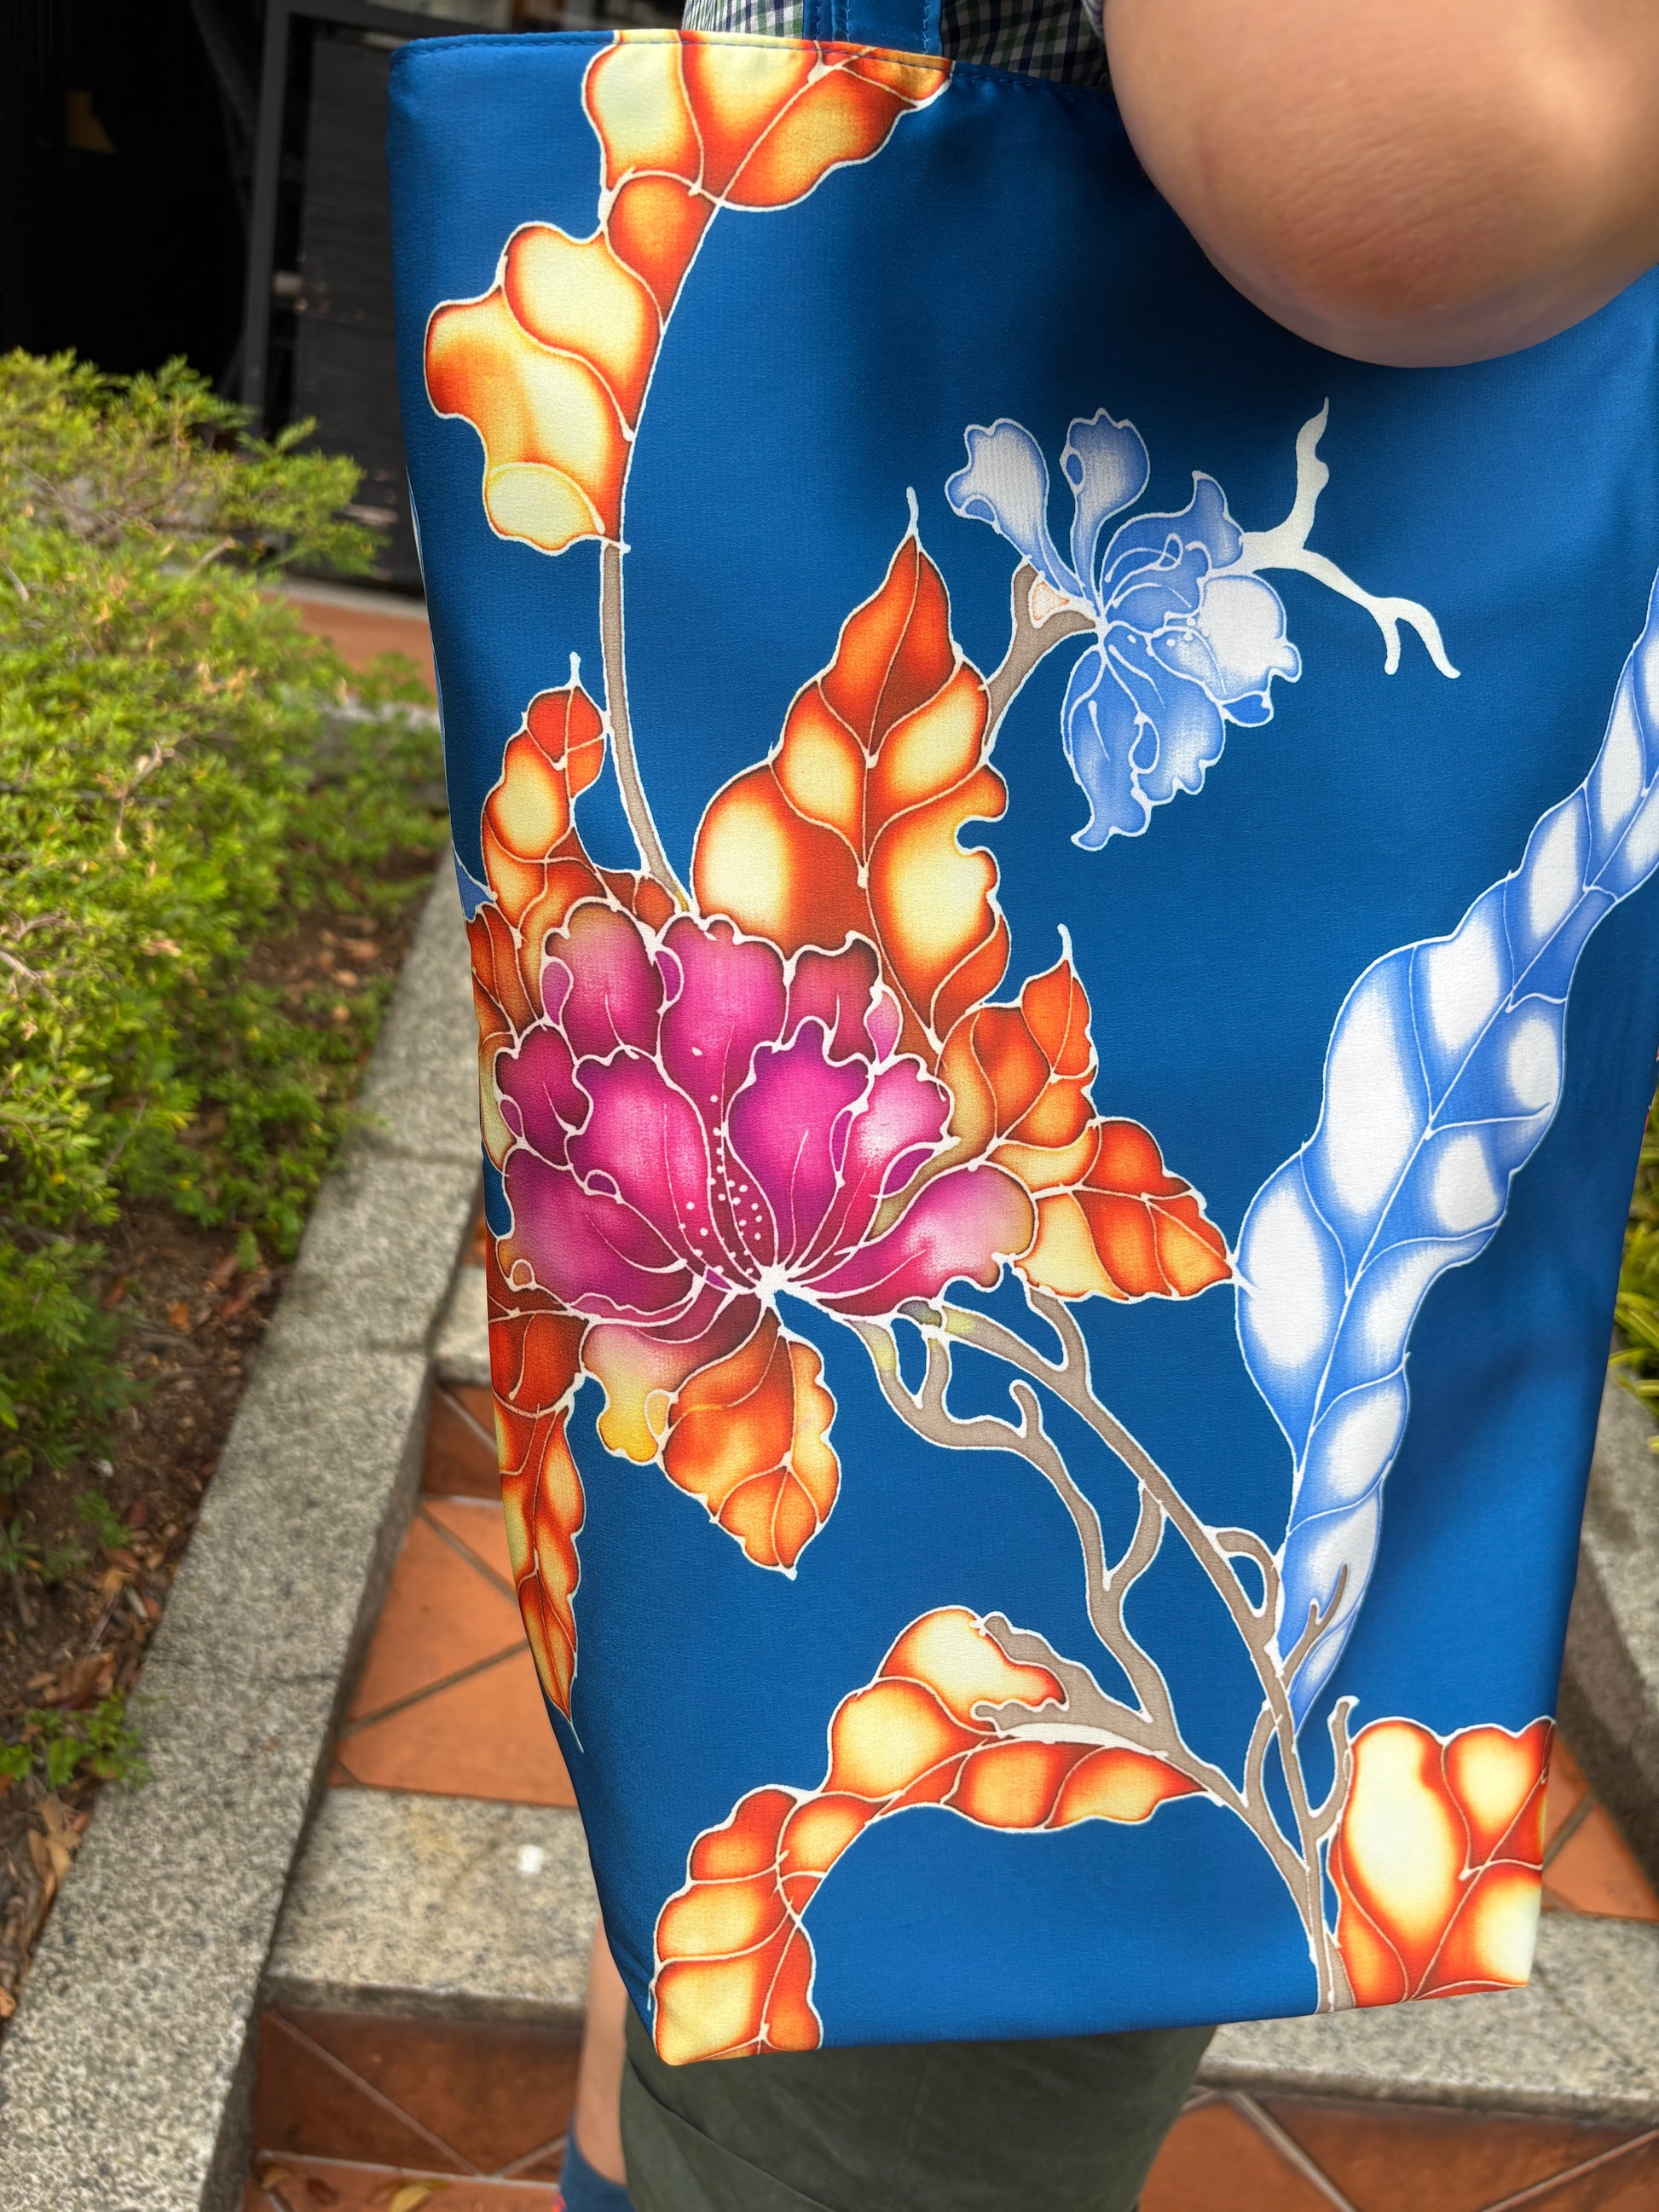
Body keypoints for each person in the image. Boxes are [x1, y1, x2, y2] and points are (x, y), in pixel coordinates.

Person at [547, 3, 1659, 2206]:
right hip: (1088, 633)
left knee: (721, 1829)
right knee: (899, 2013)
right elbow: (1382, 160)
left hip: (864, 473)